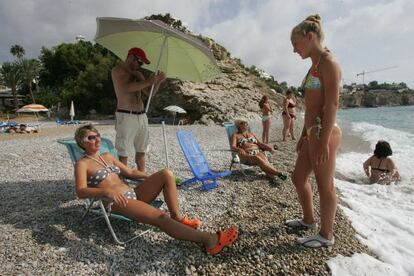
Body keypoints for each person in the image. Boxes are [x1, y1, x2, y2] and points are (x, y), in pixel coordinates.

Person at [74, 124, 238, 255]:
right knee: (160, 217)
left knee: (166, 173)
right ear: (82, 142)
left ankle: (178, 218)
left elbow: (130, 172)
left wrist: (150, 177)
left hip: (134, 194)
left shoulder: (108, 157)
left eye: (98, 135)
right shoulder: (82, 164)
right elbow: (81, 191)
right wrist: (106, 192)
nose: (97, 139)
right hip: (118, 202)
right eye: (91, 137)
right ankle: (210, 240)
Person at [285, 14, 342, 248]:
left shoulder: (329, 63)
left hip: (325, 133)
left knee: (325, 185)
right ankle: (308, 220)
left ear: (310, 37)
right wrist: (304, 134)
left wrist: (322, 140)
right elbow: (311, 105)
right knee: (298, 178)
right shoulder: (314, 66)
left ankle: (326, 235)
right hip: (312, 132)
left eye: (296, 44)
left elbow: (331, 105)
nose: (294, 50)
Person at [111, 47, 166, 173]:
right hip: (126, 115)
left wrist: (157, 82)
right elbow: (125, 88)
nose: (140, 66)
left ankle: (141, 175)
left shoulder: (138, 74)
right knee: (123, 151)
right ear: (131, 57)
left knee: (142, 149)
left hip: (141, 115)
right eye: (139, 62)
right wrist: (149, 81)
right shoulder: (118, 71)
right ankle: (123, 178)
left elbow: (149, 93)